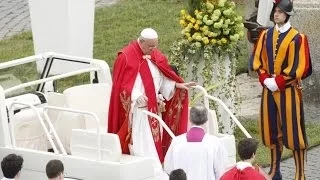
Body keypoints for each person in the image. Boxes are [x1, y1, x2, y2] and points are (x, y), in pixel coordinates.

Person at [107, 28, 196, 176]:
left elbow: (161, 79)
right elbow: (121, 85)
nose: (153, 50)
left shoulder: (154, 55)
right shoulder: (126, 57)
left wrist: (177, 85)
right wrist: (135, 96)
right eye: (150, 46)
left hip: (154, 110)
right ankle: (148, 172)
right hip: (139, 112)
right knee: (144, 143)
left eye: (155, 46)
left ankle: (157, 169)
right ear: (140, 41)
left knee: (154, 141)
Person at [249, 0, 312, 179]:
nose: (276, 14)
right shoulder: (266, 35)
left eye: (280, 11)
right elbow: (257, 61)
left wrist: (278, 81)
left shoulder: (297, 37)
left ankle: (300, 173)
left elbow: (301, 67)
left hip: (289, 92)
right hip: (268, 90)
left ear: (287, 14)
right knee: (271, 132)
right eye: (275, 11)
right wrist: (264, 78)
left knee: (294, 134)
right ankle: (275, 171)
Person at [164, 105, 227, 180]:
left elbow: (168, 168)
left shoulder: (177, 141)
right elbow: (221, 171)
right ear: (206, 119)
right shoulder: (215, 142)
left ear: (190, 119)